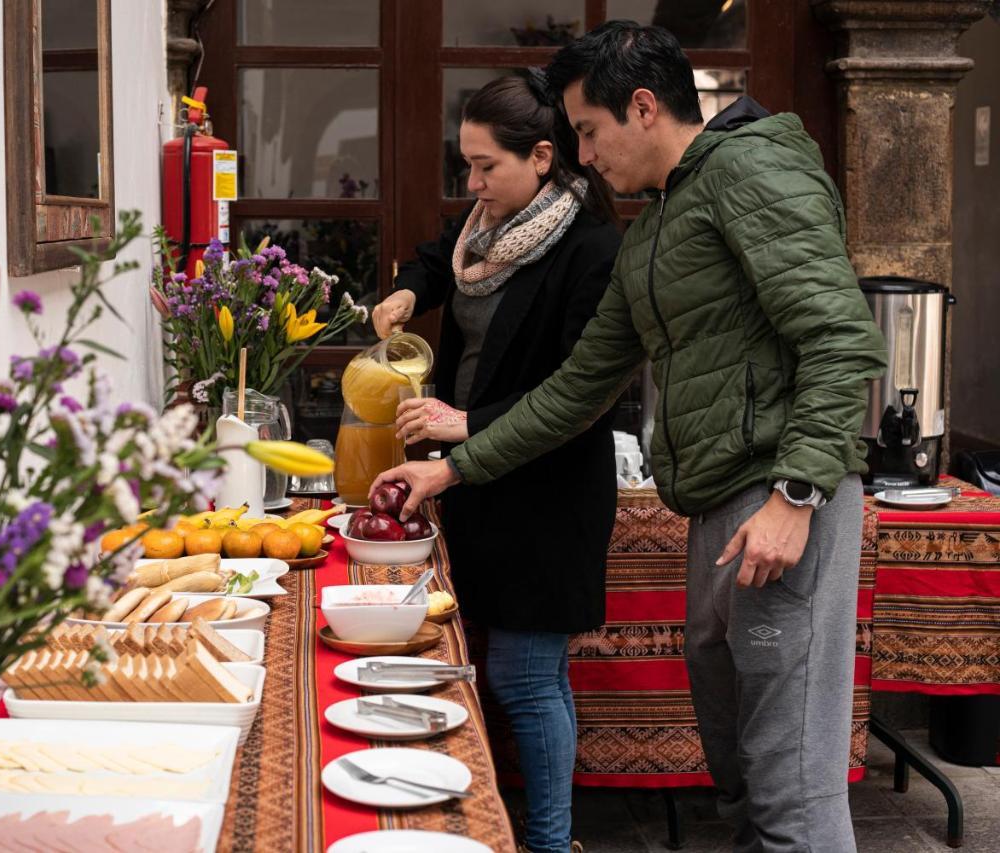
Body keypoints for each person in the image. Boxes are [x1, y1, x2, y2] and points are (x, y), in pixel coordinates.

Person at [373, 22, 887, 853]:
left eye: (585, 130)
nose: (578, 152)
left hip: (783, 510)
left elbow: (839, 338)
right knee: (742, 778)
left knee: (790, 792)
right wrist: (454, 469)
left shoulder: (753, 169)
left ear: (642, 107)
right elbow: (578, 389)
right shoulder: (656, 229)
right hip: (719, 512)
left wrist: (797, 495)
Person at [370, 72, 620, 853]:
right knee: (511, 669)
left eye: (486, 166)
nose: (471, 184)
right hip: (477, 475)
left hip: (550, 491)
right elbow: (436, 259)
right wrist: (409, 293)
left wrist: (465, 419)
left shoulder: (591, 250)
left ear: (544, 156)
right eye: (466, 166)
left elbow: (580, 392)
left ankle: (548, 843)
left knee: (523, 677)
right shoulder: (487, 222)